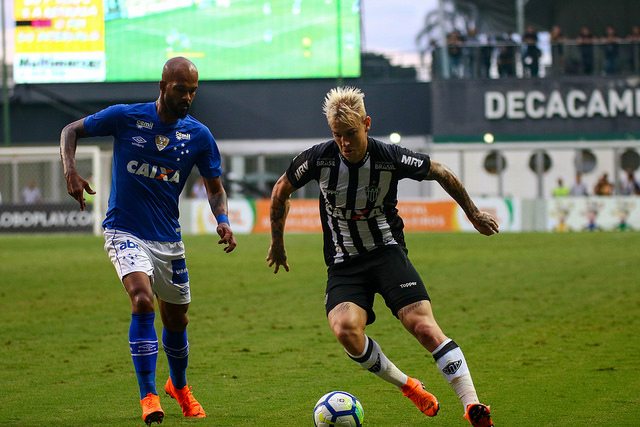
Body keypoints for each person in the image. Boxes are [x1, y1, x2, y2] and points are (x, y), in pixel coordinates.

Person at [267, 86, 497, 427]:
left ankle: (473, 406)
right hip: (344, 264)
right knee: (346, 330)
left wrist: (473, 213)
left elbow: (441, 172)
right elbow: (281, 190)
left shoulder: (390, 157)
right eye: (337, 135)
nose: (344, 143)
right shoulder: (319, 158)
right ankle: (409, 386)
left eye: (350, 134)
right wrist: (278, 243)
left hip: (387, 254)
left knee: (423, 326)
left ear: (367, 124)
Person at [60, 57, 237, 426]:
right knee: (142, 301)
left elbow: (215, 188)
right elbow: (70, 131)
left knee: (177, 320)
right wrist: (71, 171)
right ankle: (149, 396)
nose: (188, 97)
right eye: (180, 90)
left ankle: (180, 387)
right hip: (124, 230)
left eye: (193, 91)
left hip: (169, 240)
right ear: (163, 84)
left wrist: (222, 219)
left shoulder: (199, 136)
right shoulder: (126, 117)